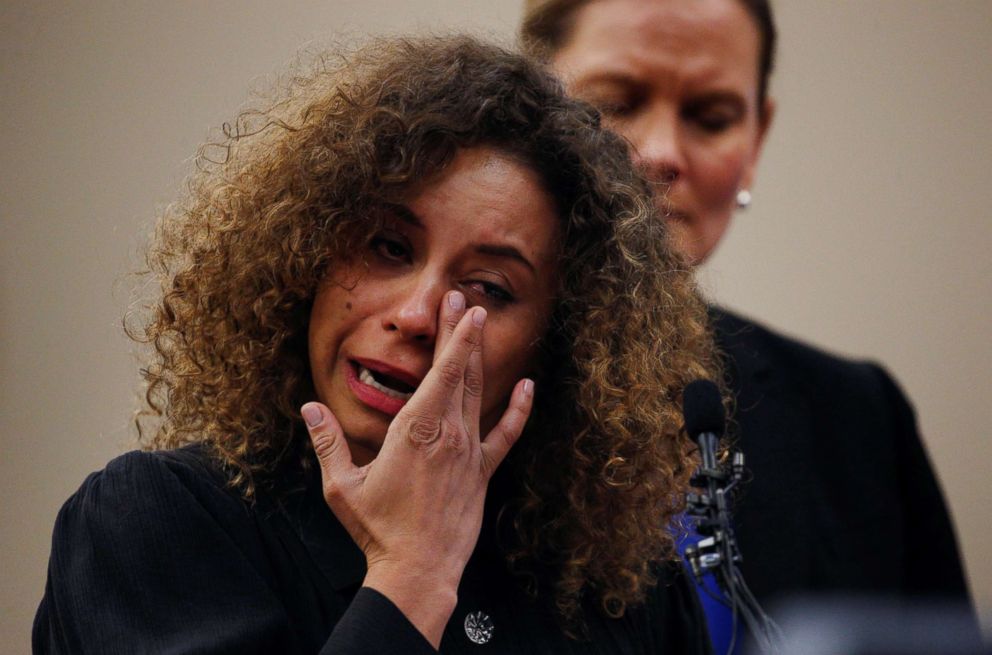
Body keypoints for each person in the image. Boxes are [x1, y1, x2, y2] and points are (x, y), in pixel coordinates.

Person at [34, 35, 722, 654]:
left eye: (487, 287)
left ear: (560, 344)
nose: (418, 313)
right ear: (309, 255)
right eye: (389, 247)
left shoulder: (620, 588)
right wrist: (411, 574)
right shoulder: (156, 520)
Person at [521, 0, 970, 647]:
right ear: (529, 110)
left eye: (711, 117)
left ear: (756, 140)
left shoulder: (859, 419)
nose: (661, 153)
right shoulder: (425, 380)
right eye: (617, 102)